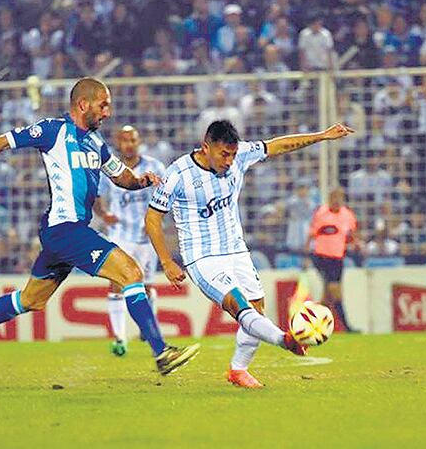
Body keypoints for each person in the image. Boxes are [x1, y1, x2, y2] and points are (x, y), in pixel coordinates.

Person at [0, 77, 199, 376]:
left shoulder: (96, 143)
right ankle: (162, 352)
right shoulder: (53, 130)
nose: (107, 113)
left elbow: (120, 176)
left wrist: (141, 181)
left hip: (63, 233)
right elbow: (1, 141)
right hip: (66, 228)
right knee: (130, 272)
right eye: (103, 105)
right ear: (83, 104)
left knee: (31, 299)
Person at [145, 120, 354, 389]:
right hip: (202, 257)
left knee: (256, 308)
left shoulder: (240, 155)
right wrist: (166, 260)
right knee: (238, 305)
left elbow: (279, 145)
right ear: (205, 147)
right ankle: (285, 340)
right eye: (223, 154)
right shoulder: (178, 174)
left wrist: (322, 136)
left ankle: (238, 370)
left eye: (233, 154)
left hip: (236, 250)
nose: (230, 161)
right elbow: (152, 218)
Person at [94, 125, 166, 357]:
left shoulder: (154, 167)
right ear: (118, 142)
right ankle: (119, 338)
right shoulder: (111, 168)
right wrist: (104, 214)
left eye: (132, 139)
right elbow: (96, 194)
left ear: (139, 141)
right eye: (124, 140)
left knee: (145, 286)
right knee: (117, 283)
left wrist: (156, 221)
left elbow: (167, 194)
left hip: (146, 237)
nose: (129, 144)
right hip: (120, 236)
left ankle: (147, 329)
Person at [307, 186, 361, 333]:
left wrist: (356, 244)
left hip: (338, 258)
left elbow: (352, 234)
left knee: (327, 295)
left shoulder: (348, 215)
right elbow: (311, 234)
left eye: (339, 197)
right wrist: (306, 256)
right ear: (329, 199)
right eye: (333, 197)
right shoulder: (321, 213)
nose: (336, 201)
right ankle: (346, 326)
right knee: (334, 290)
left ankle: (313, 325)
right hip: (322, 257)